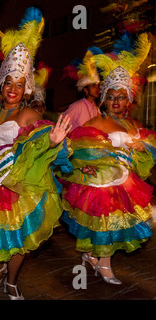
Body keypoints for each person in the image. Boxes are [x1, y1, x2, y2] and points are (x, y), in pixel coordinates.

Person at [0, 7, 73, 300]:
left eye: (20, 85)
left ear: (26, 88)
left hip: (15, 183)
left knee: (19, 240)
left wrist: (55, 142)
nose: (13, 89)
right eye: (10, 83)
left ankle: (12, 280)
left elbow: (41, 145)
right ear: (2, 84)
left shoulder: (30, 114)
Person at [60, 33, 153, 285]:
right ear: (104, 98)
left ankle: (92, 256)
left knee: (111, 227)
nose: (115, 101)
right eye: (110, 96)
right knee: (106, 226)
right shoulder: (96, 121)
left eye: (120, 97)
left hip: (126, 181)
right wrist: (83, 164)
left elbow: (145, 149)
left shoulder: (130, 122)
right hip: (103, 183)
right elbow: (76, 147)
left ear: (128, 99)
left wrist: (139, 146)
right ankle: (103, 264)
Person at [62, 48, 102, 132]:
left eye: (98, 85)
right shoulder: (78, 106)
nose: (97, 88)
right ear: (85, 90)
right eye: (93, 85)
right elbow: (62, 123)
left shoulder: (97, 109)